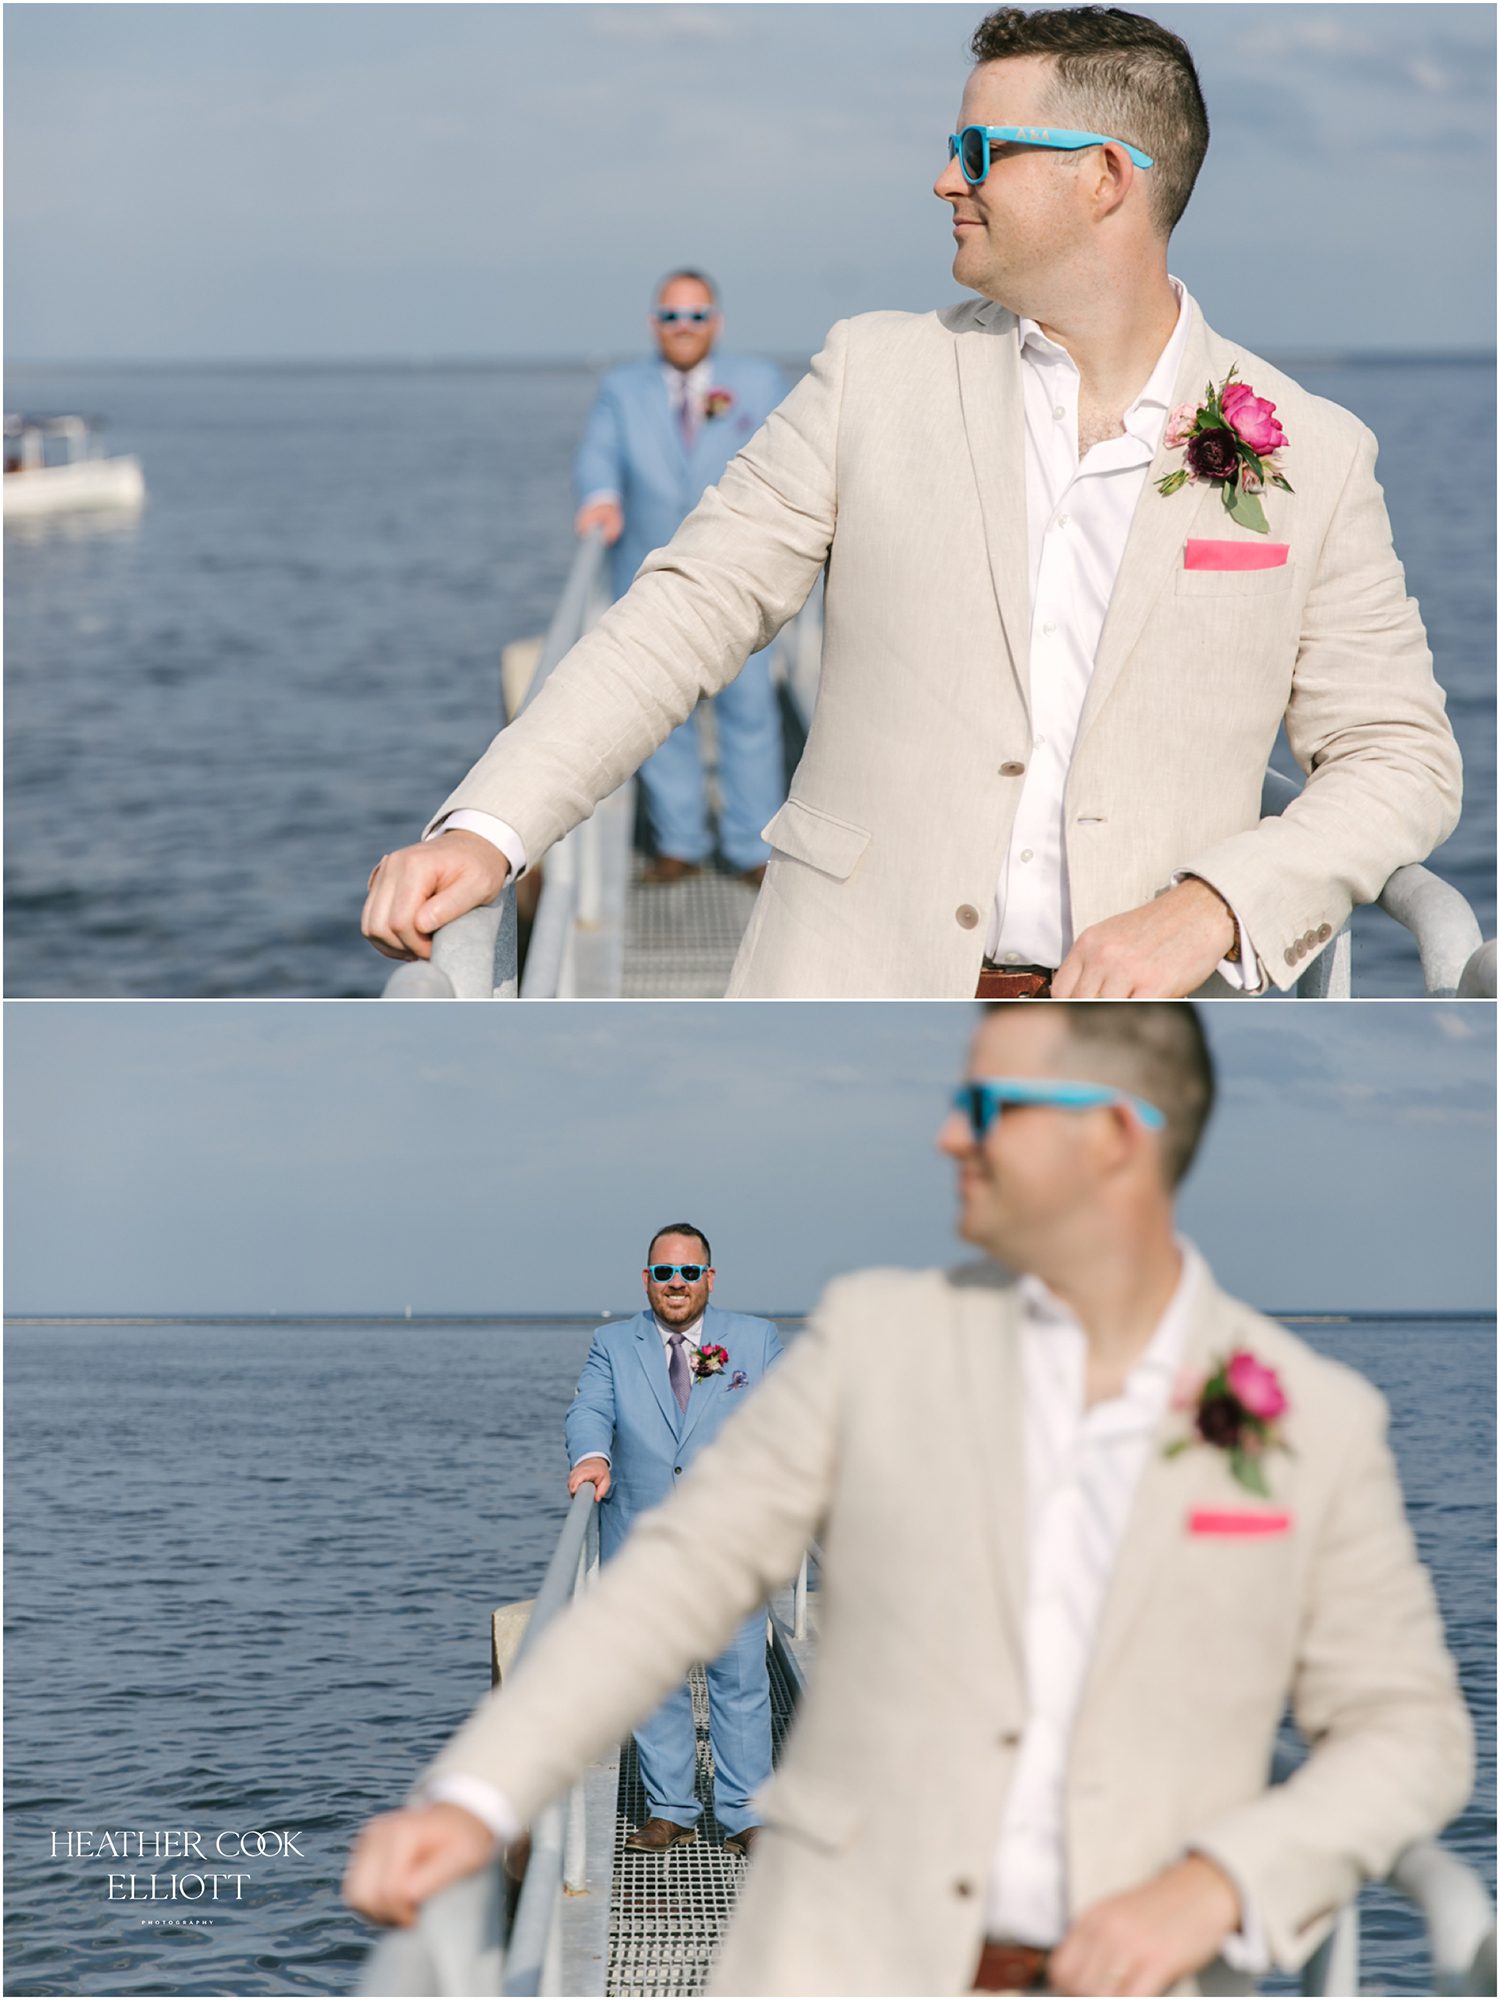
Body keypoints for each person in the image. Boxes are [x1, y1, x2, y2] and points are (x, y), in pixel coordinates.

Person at [343, 1003, 1472, 1997]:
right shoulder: (871, 1341)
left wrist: (1225, 1880)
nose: (946, 1133)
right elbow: (671, 1579)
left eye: (988, 1103)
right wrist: (477, 1794)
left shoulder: (1312, 1420)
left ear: (1115, 1136)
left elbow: (1408, 1733)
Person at [362, 5, 1461, 1001]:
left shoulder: (1312, 451)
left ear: (1107, 179)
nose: (945, 179)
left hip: (1155, 1046)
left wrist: (1215, 906)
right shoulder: (870, 377)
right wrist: (493, 829)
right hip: (845, 1002)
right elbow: (686, 607)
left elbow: (1398, 758)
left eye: (979, 149)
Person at [428, 1226, 782, 1858]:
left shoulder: (755, 1340)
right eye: (665, 1274)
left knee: (740, 1682)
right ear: (646, 1279)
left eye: (690, 1273)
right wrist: (591, 1456)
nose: (678, 1285)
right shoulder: (612, 1344)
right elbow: (588, 1410)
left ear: (711, 1277)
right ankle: (672, 1809)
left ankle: (744, 1812)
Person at [568, 272, 790, 886]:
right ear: (653, 324)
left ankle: (750, 848)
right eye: (671, 316)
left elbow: (789, 457)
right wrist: (601, 497)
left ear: (716, 321)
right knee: (662, 717)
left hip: (739, 577)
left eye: (696, 316)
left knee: (749, 715)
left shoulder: (758, 382)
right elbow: (597, 454)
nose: (683, 328)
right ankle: (680, 844)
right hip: (649, 578)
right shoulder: (621, 388)